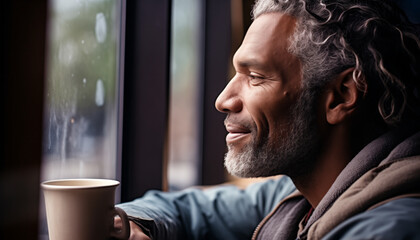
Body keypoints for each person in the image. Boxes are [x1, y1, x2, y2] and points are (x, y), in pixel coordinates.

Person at [117, 0, 420, 239]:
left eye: (256, 77)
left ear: (340, 96)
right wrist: (130, 226)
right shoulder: (300, 195)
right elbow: (186, 211)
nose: (222, 100)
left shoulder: (388, 228)